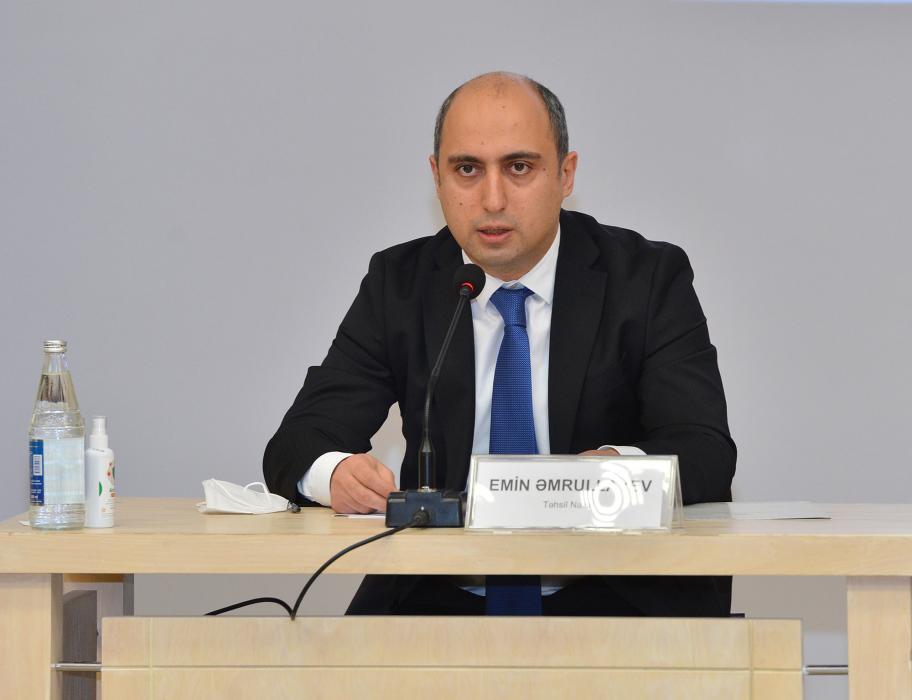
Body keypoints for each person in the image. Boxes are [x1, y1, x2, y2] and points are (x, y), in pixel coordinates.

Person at [264, 72, 736, 617]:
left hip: (615, 589)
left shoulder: (646, 279)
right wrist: (334, 474)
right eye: (467, 169)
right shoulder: (401, 283)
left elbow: (705, 452)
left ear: (565, 174)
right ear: (436, 177)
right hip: (438, 590)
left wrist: (612, 470)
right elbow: (297, 443)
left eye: (519, 168)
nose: (492, 199)